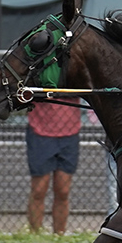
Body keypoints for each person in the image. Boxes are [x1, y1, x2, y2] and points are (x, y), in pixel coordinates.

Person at [26, 98, 82, 234]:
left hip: (70, 133)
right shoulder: (39, 76)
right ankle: (35, 234)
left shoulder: (74, 76)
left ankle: (59, 234)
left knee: (63, 191)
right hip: (40, 133)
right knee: (39, 190)